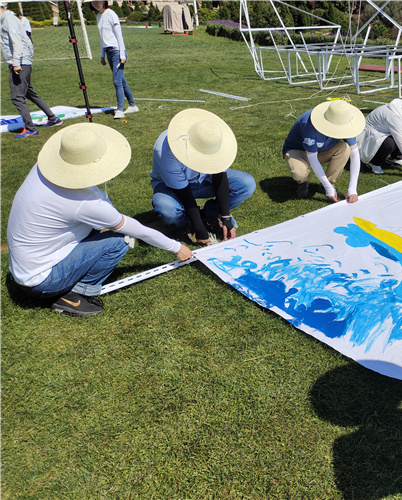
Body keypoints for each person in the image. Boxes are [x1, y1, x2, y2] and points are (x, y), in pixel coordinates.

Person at [6, 123, 193, 317]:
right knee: (120, 240)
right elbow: (136, 229)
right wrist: (176, 248)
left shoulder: (42, 169)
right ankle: (77, 294)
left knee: (102, 229)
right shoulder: (87, 203)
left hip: (22, 267)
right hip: (41, 281)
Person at [151, 108, 256, 245]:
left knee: (246, 184)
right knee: (165, 208)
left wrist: (226, 217)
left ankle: (211, 214)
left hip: (205, 181)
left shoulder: (214, 139)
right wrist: (199, 229)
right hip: (171, 187)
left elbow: (219, 177)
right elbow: (184, 193)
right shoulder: (165, 149)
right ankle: (185, 223)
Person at [283, 100, 366, 203]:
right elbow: (312, 158)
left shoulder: (344, 121)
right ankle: (303, 182)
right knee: (299, 173)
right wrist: (328, 189)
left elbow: (354, 153)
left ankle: (327, 183)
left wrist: (353, 189)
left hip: (320, 151)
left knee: (345, 148)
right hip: (298, 151)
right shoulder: (308, 124)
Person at [0, 3, 62, 138]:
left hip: (20, 63)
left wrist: (16, 63)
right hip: (23, 61)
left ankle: (30, 129)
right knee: (30, 93)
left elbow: (17, 42)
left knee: (17, 97)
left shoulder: (8, 19)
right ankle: (53, 118)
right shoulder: (7, 19)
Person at [91, 1, 138, 119]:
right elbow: (102, 38)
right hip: (108, 52)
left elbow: (119, 36)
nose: (96, 3)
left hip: (116, 52)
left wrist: (122, 54)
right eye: (93, 2)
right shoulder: (98, 16)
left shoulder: (111, 14)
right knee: (121, 81)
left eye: (98, 1)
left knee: (117, 82)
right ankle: (132, 105)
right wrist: (102, 55)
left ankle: (120, 110)